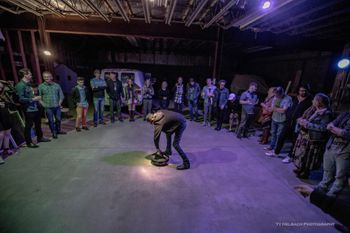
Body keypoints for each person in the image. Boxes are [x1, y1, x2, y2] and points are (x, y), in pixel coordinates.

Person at [292, 93, 333, 178]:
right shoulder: (312, 109)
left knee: (309, 156)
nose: (313, 101)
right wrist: (301, 120)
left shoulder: (326, 113)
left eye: (315, 99)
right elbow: (306, 118)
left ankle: (305, 172)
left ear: (319, 102)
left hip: (313, 139)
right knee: (302, 154)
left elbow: (324, 128)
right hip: (305, 136)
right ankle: (301, 168)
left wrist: (308, 124)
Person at [317, 112, 350, 197]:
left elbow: (346, 134)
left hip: (345, 150)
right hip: (332, 145)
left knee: (340, 174)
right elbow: (330, 125)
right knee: (327, 169)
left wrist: (334, 129)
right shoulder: (345, 114)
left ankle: (333, 192)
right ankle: (323, 186)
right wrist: (336, 129)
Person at [15, 69, 50, 148]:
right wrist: (33, 99)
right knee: (29, 126)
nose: (31, 76)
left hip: (35, 107)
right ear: (25, 75)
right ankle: (29, 142)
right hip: (28, 109)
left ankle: (40, 137)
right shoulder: (20, 85)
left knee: (38, 124)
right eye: (30, 74)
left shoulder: (28, 84)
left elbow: (29, 95)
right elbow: (20, 99)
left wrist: (35, 97)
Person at [279, 85, 313, 163]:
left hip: (298, 123)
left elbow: (309, 112)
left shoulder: (309, 101)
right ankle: (276, 152)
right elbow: (290, 107)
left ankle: (290, 156)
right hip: (288, 121)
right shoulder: (295, 98)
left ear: (307, 91)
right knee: (281, 136)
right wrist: (287, 114)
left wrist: (302, 119)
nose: (302, 92)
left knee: (294, 140)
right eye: (301, 90)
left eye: (304, 90)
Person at [265, 87, 293, 157]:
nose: (276, 97)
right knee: (273, 133)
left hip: (282, 120)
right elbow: (272, 107)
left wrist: (274, 109)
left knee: (279, 135)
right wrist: (272, 109)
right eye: (275, 95)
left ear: (282, 93)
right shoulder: (275, 96)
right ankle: (271, 146)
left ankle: (275, 150)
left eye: (277, 95)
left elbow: (284, 110)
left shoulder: (287, 99)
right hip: (274, 118)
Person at [38, 71, 66, 139]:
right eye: (45, 77)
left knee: (58, 119)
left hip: (57, 106)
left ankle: (58, 130)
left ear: (51, 77)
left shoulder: (57, 85)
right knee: (51, 121)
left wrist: (59, 103)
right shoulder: (41, 86)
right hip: (48, 107)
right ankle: (54, 132)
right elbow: (39, 97)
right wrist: (43, 104)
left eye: (48, 77)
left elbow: (61, 95)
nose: (46, 78)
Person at [0, 82, 15, 164]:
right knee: (1, 135)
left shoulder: (3, 95)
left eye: (1, 87)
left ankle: (6, 149)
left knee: (7, 133)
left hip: (5, 116)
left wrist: (7, 84)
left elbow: (13, 91)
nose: (0, 89)